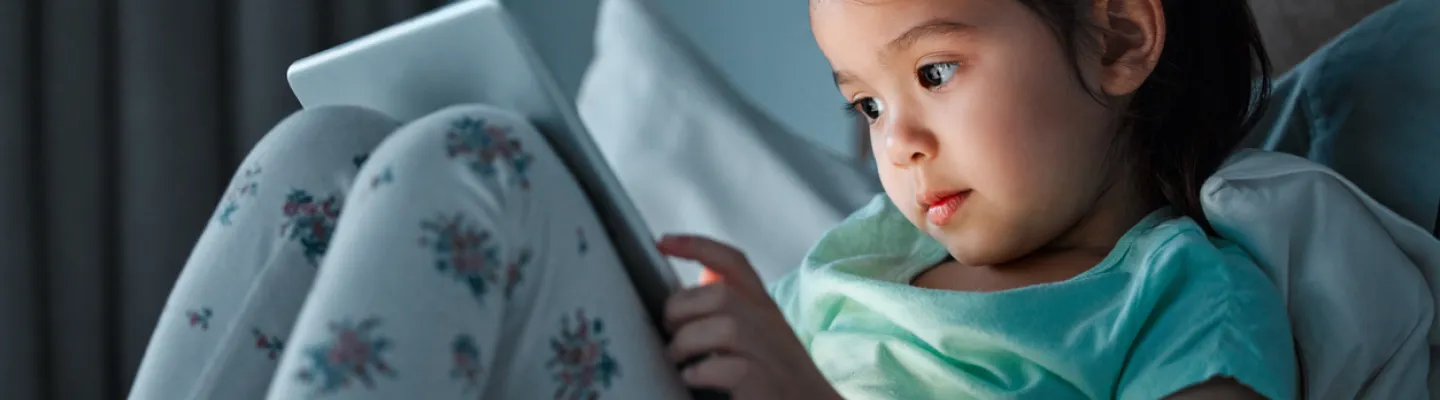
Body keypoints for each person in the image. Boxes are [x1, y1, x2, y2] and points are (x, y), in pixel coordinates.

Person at [130, 0, 1297, 399]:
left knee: (481, 161)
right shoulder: (869, 252)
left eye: (935, 72)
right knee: (330, 145)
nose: (898, 141)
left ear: (1120, 35)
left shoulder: (1185, 295)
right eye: (866, 103)